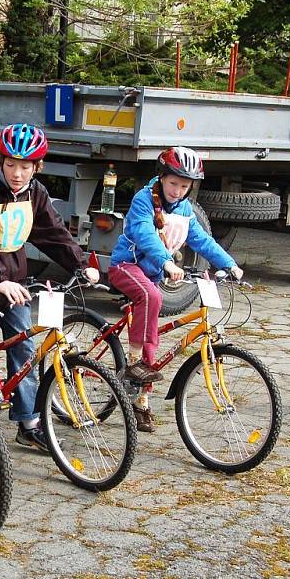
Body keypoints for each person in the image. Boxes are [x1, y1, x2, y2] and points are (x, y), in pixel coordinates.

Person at [0, 124, 100, 453]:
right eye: (10, 165)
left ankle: (29, 422)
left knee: (24, 348)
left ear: (37, 167)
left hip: (14, 282)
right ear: (1, 161)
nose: (17, 174)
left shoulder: (36, 192)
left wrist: (80, 263)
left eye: (25, 166)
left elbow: (53, 232)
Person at [109, 146, 243, 432]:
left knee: (152, 342)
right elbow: (145, 235)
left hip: (152, 273)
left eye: (184, 186)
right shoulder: (143, 200)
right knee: (152, 296)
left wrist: (229, 264)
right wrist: (167, 263)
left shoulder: (184, 210)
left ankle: (141, 402)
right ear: (161, 178)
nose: (178, 191)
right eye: (173, 183)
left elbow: (202, 241)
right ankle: (132, 362)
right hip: (126, 267)